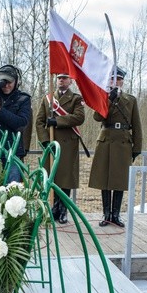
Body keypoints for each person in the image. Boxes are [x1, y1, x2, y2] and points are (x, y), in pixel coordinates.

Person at [89, 67, 143, 228]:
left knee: (119, 180)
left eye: (118, 79)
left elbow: (137, 125)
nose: (115, 82)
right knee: (104, 179)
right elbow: (97, 117)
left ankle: (116, 214)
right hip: (106, 141)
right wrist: (108, 100)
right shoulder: (103, 97)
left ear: (122, 81)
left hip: (123, 142)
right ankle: (106, 214)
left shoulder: (130, 100)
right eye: (112, 79)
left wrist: (137, 147)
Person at [35, 73, 86, 224]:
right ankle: (54, 208)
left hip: (68, 145)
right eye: (59, 78)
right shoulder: (48, 98)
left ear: (70, 81)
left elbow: (79, 118)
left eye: (64, 78)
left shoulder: (76, 99)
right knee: (53, 177)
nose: (61, 80)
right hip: (52, 143)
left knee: (65, 179)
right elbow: (39, 121)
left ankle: (63, 210)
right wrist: (44, 140)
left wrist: (56, 121)